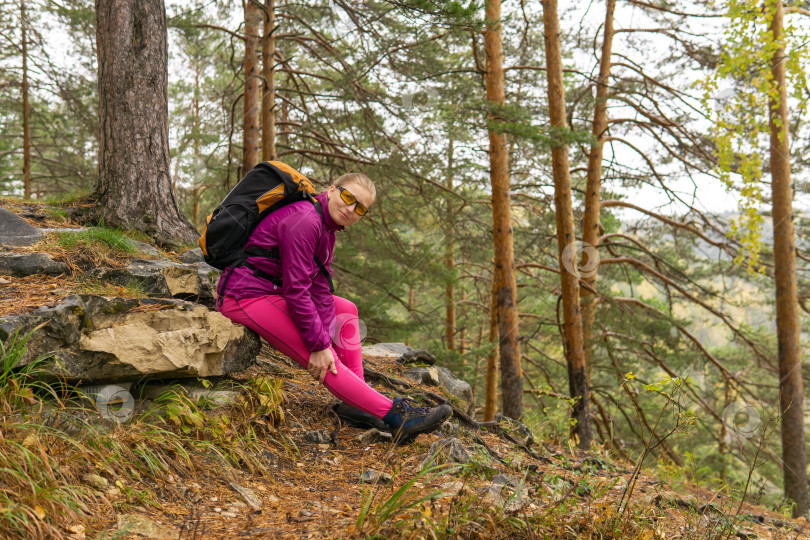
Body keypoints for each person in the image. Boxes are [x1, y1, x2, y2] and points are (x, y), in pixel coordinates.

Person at [217, 172, 451, 442]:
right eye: (348, 197)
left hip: (273, 291)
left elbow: (319, 287)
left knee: (346, 310)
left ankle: (355, 403)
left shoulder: (325, 226)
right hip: (244, 297)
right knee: (326, 359)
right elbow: (297, 291)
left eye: (360, 207)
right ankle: (397, 417)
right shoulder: (305, 221)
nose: (351, 208)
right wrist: (318, 345)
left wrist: (325, 337)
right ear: (331, 190)